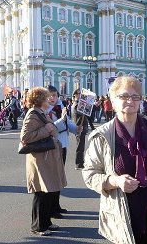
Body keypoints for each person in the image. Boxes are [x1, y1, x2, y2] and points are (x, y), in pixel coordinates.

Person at [82, 76, 147, 244]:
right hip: (125, 216)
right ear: (112, 101)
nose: (131, 100)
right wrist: (115, 181)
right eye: (124, 96)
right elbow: (90, 175)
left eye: (136, 96)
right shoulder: (102, 136)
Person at [20, 87, 67, 236]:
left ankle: (46, 222)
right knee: (41, 193)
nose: (50, 100)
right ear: (40, 100)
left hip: (45, 159)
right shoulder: (33, 114)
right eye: (47, 98)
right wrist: (46, 129)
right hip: (40, 159)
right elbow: (25, 137)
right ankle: (38, 226)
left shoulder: (40, 113)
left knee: (47, 192)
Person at [46, 85, 83, 218]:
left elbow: (66, 123)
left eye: (54, 95)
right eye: (49, 95)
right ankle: (51, 208)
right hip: (52, 147)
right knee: (53, 178)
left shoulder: (60, 107)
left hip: (63, 146)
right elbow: (50, 128)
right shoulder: (44, 111)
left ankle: (56, 205)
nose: (52, 98)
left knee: (59, 177)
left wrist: (76, 128)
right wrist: (62, 119)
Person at [71, 89, 88, 170]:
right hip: (79, 127)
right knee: (80, 146)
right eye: (79, 93)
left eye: (81, 93)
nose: (81, 95)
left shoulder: (77, 103)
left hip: (79, 126)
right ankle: (79, 164)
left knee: (81, 145)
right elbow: (83, 113)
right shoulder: (77, 104)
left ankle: (80, 162)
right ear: (75, 95)